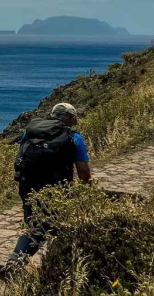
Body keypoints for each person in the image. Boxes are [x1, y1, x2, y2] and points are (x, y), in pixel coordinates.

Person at [9, 101, 92, 262]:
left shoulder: (31, 132)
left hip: (27, 186)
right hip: (56, 189)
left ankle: (18, 261)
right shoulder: (74, 137)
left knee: (34, 225)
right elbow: (83, 171)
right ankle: (55, 265)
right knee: (57, 225)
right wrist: (86, 188)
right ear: (68, 118)